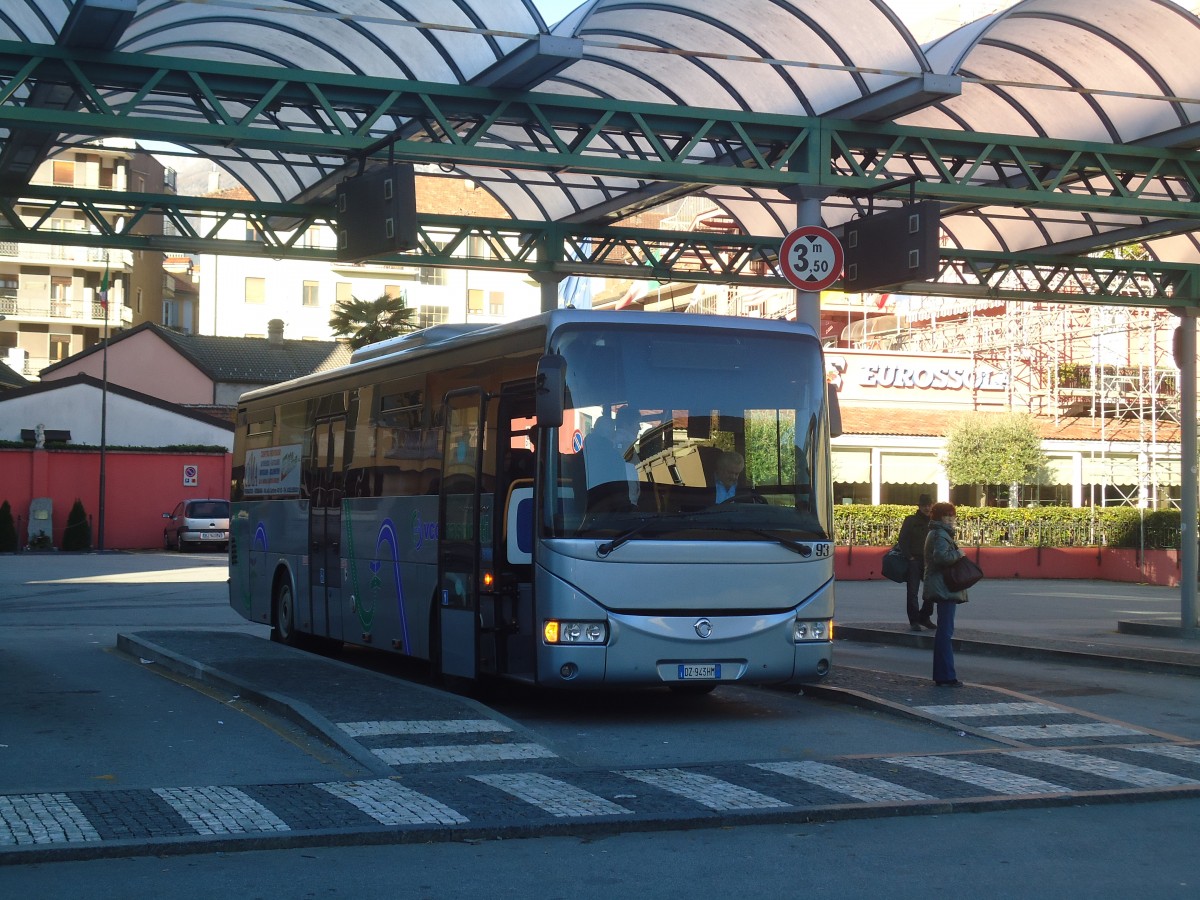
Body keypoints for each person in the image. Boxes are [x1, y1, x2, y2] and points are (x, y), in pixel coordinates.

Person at [922, 501, 969, 687]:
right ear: (939, 517)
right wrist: (959, 554)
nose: (950, 519)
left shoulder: (936, 532)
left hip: (941, 585)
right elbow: (941, 557)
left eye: (952, 516)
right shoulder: (940, 534)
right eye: (947, 516)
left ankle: (944, 674)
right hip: (944, 586)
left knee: (944, 630)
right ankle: (946, 675)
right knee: (945, 632)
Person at [897, 494, 935, 631]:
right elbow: (902, 540)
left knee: (931, 591)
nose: (927, 508)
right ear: (919, 506)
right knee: (912, 592)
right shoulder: (910, 520)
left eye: (929, 505)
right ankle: (914, 621)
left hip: (928, 562)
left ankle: (924, 617)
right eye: (924, 505)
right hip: (914, 560)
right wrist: (910, 557)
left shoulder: (933, 522)